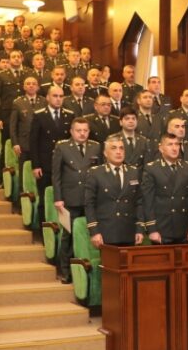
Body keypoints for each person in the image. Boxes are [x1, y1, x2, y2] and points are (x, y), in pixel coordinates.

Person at [51, 118, 100, 282]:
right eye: (79, 130)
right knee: (68, 235)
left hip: (90, 198)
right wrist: (58, 198)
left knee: (90, 233)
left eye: (85, 130)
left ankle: (85, 269)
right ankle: (65, 271)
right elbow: (56, 175)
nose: (82, 133)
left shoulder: (95, 146)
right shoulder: (62, 147)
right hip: (70, 198)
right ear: (71, 131)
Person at [84, 135, 144, 248]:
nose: (118, 152)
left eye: (121, 148)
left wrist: (140, 228)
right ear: (105, 153)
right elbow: (89, 204)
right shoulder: (95, 173)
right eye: (114, 148)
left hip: (128, 230)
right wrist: (94, 231)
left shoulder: (133, 172)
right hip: (106, 231)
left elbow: (139, 202)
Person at [141, 133, 188, 244]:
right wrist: (152, 229)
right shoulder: (152, 169)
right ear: (161, 148)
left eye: (177, 144)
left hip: (184, 228)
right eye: (170, 144)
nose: (174, 148)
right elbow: (148, 201)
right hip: (162, 229)